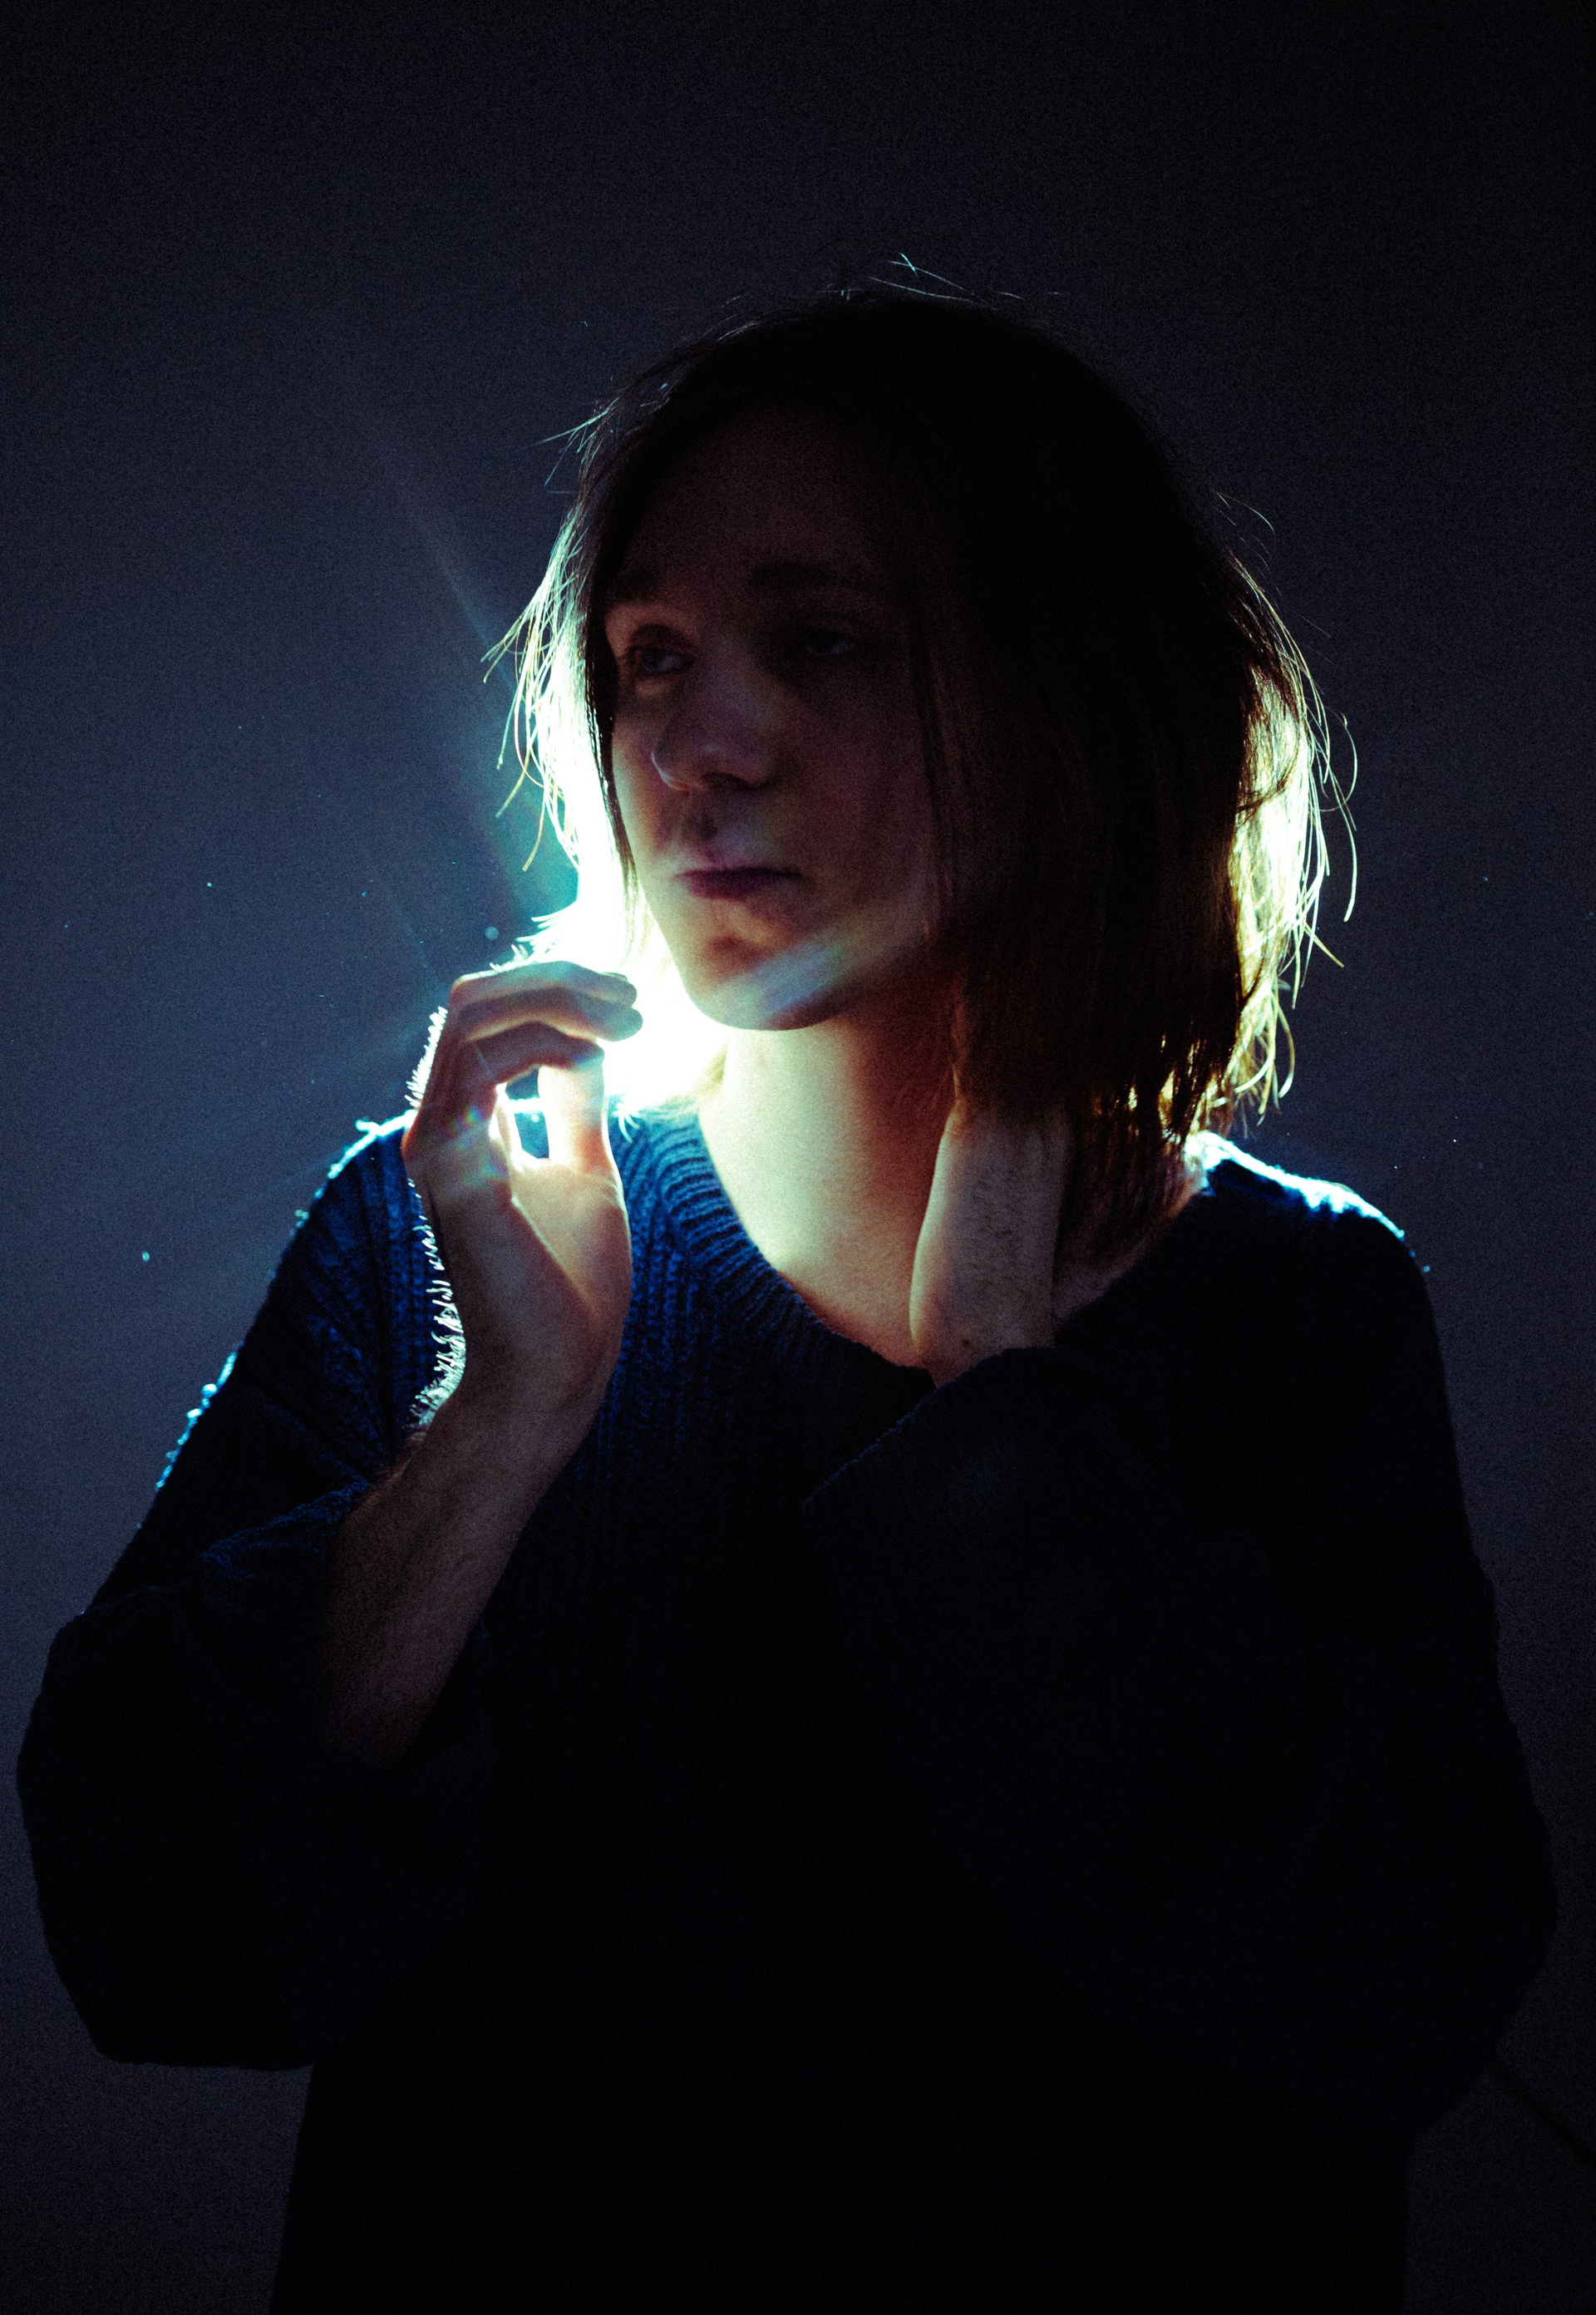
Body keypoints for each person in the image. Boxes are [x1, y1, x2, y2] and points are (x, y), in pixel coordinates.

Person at [19, 287, 1554, 2313]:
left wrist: (1001, 1403)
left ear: (1070, 700)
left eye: (821, 640)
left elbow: (1383, 2018)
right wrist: (495, 1430)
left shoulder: (1294, 1308)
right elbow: (149, 1941)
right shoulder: (444, 1242)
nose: (697, 743)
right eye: (650, 656)